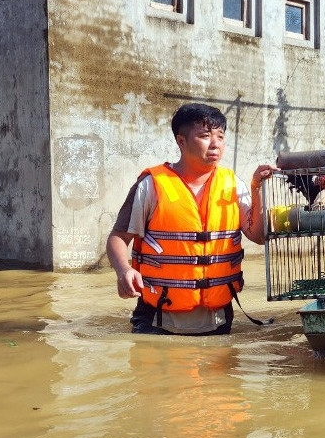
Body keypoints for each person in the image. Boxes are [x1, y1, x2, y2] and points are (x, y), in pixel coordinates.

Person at [106, 103, 277, 334]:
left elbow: (257, 236)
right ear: (181, 141)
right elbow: (117, 237)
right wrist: (123, 270)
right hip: (157, 321)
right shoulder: (151, 185)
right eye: (205, 136)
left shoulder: (234, 185)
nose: (215, 144)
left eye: (220, 136)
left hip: (218, 321)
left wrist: (256, 187)